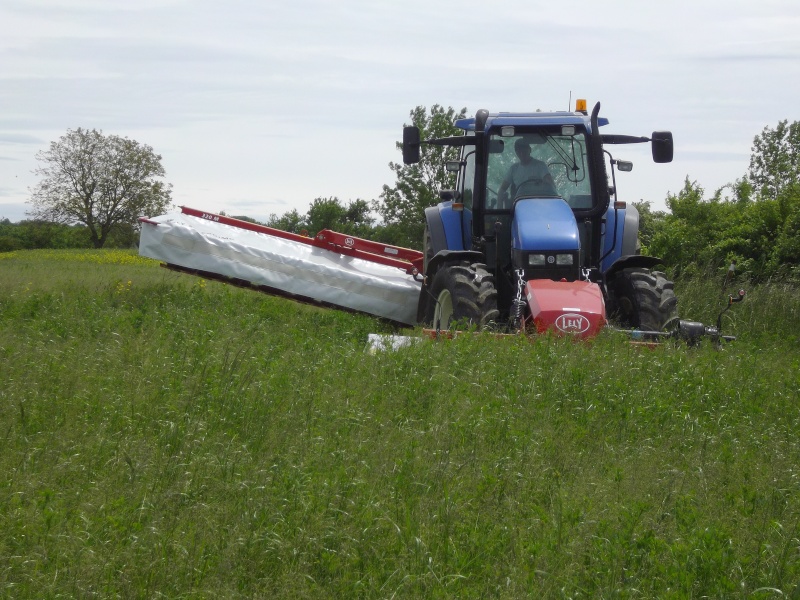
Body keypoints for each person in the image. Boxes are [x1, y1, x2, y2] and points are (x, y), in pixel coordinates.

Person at [496, 138, 555, 208]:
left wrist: (552, 203)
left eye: (524, 151)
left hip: (539, 204)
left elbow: (550, 184)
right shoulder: (513, 169)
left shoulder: (540, 166)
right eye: (519, 151)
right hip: (519, 204)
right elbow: (502, 189)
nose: (521, 154)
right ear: (516, 152)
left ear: (530, 150)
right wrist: (499, 209)